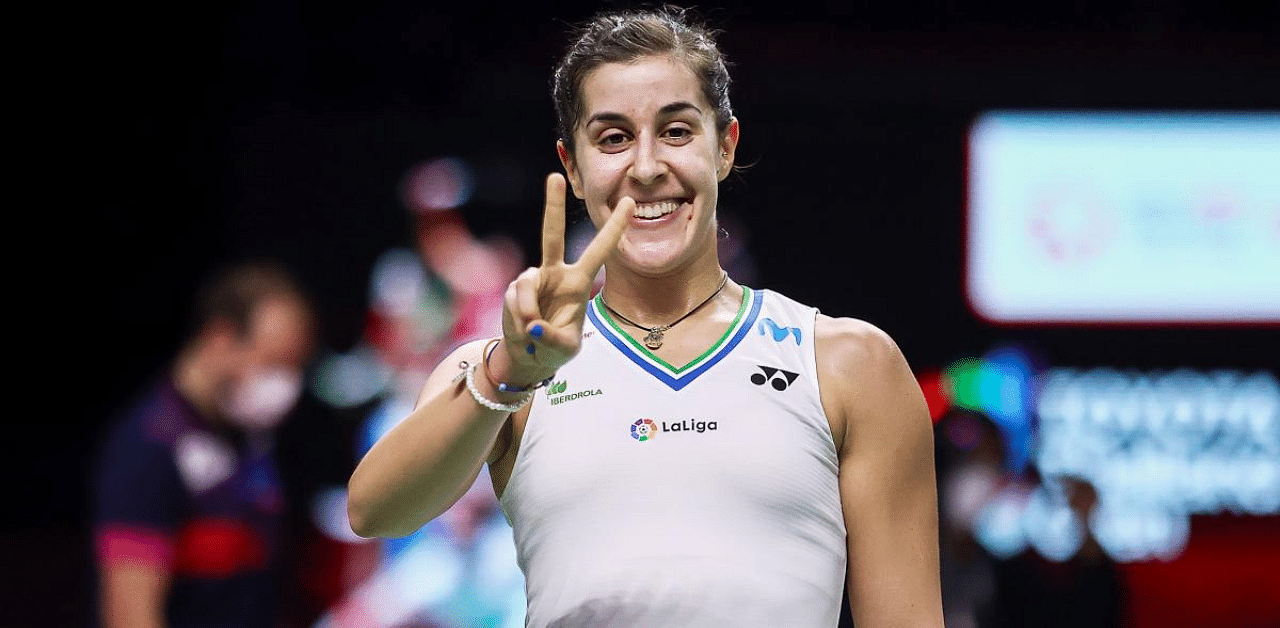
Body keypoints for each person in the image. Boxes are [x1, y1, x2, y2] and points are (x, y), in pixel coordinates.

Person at [347, 7, 943, 627]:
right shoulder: (502, 370)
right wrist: (510, 373)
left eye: (678, 131)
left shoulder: (847, 364)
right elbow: (372, 512)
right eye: (612, 138)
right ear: (572, 168)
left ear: (725, 147)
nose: (647, 166)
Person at [93, 260, 317, 628]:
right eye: (273, 363)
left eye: (295, 367)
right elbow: (130, 617)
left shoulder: (251, 440)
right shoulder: (147, 447)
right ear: (221, 340)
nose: (285, 384)